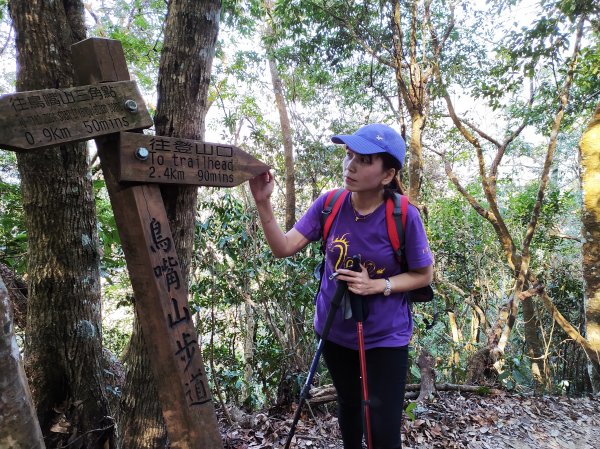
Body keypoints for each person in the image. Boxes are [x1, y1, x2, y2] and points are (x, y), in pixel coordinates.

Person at [249, 123, 434, 449]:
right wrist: (263, 202)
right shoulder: (330, 205)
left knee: (383, 426)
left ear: (387, 175)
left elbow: (423, 276)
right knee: (348, 406)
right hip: (335, 331)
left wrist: (377, 285)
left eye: (363, 160)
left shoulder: (404, 215)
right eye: (349, 155)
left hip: (385, 337)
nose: (350, 165)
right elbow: (283, 247)